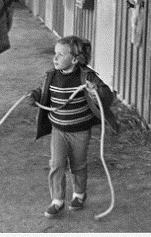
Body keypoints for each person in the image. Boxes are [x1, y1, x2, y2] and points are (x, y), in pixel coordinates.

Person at [29, 35, 118, 219]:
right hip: (58, 130)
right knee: (57, 164)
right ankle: (57, 200)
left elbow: (107, 97)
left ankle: (79, 193)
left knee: (78, 164)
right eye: (55, 53)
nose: (55, 58)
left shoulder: (87, 76)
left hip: (80, 130)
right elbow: (42, 90)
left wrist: (96, 92)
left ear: (75, 59)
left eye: (60, 55)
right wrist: (35, 96)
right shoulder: (51, 76)